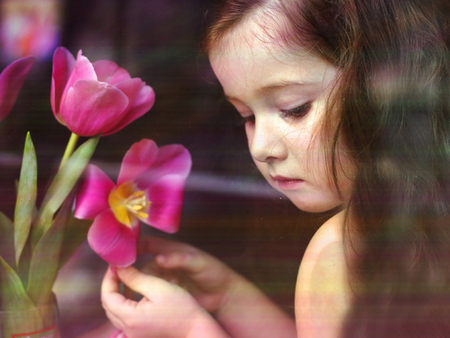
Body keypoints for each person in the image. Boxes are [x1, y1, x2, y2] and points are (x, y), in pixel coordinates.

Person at [100, 0, 450, 337]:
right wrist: (229, 296)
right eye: (247, 117)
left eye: (294, 108)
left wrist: (193, 330)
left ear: (379, 85)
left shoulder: (340, 251)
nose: (261, 148)